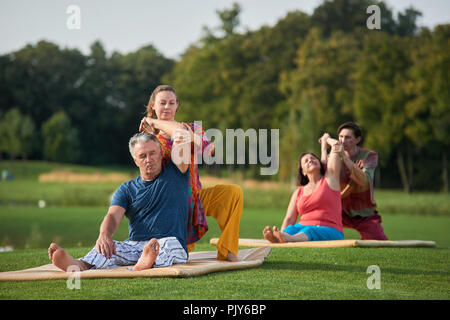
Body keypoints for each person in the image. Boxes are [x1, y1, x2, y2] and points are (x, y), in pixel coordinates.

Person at [48, 132, 190, 271]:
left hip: (171, 242)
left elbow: (181, 133)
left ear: (160, 153)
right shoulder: (127, 189)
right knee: (108, 247)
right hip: (135, 246)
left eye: (152, 153)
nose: (148, 159)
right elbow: (113, 216)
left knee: (165, 245)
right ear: (135, 160)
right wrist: (104, 235)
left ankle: (148, 262)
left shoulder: (176, 173)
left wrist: (153, 122)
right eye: (142, 156)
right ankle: (80, 264)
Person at [139, 85, 243, 261]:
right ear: (153, 106)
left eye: (171, 103)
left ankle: (227, 250)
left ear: (177, 105)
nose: (167, 107)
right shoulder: (148, 137)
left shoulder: (192, 128)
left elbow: (209, 149)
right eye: (162, 102)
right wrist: (155, 126)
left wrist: (155, 122)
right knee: (175, 256)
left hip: (196, 198)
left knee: (233, 193)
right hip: (170, 206)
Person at [263, 136, 344, 243]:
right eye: (306, 161)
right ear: (303, 171)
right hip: (301, 229)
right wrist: (282, 233)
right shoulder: (298, 192)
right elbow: (289, 219)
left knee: (309, 230)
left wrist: (326, 139)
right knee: (291, 229)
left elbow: (337, 147)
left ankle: (289, 238)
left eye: (313, 158)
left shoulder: (330, 180)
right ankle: (279, 238)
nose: (310, 160)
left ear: (320, 164)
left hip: (330, 230)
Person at [322, 122, 388, 240]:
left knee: (379, 241)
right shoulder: (333, 158)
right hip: (338, 212)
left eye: (347, 137)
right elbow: (323, 183)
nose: (342, 141)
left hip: (364, 213)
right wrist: (324, 147)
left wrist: (345, 157)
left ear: (358, 139)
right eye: (340, 137)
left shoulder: (369, 156)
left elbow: (365, 181)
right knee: (318, 233)